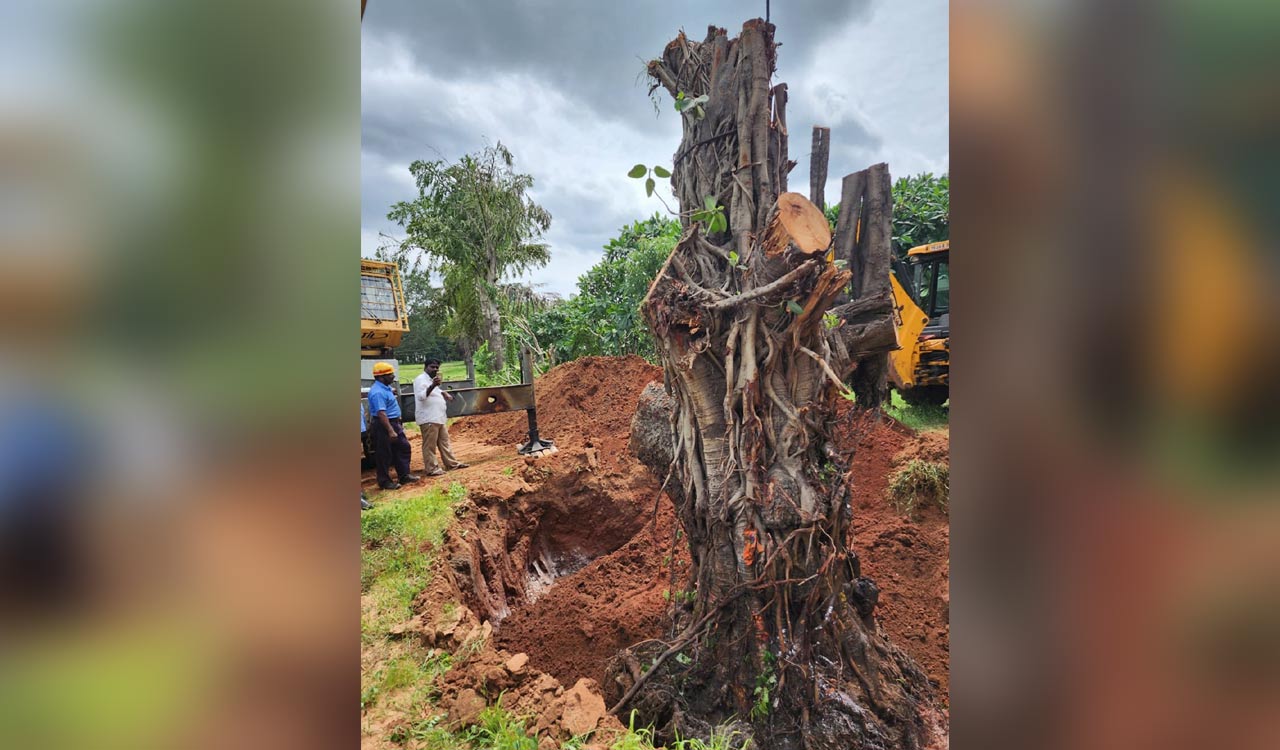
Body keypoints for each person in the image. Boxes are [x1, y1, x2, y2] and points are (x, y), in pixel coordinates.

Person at [367, 362, 420, 489]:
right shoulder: (378, 392)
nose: (393, 376)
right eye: (390, 374)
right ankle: (384, 482)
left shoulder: (385, 388)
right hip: (384, 425)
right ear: (381, 377)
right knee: (384, 453)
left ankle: (404, 475)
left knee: (403, 447)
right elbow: (381, 413)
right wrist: (390, 430)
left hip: (393, 423)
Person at [413, 359, 468, 476]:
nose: (435, 369)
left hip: (438, 417)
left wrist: (443, 392)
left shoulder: (431, 380)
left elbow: (435, 390)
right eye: (432, 367)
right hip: (428, 418)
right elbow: (421, 396)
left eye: (437, 367)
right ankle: (432, 469)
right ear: (425, 367)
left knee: (444, 443)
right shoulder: (420, 380)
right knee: (430, 445)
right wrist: (433, 385)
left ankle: (452, 464)